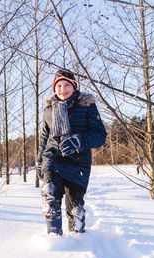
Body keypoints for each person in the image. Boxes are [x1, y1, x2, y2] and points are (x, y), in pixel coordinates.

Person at [37, 69, 106, 235]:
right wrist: (40, 162)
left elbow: (100, 135)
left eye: (67, 85)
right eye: (59, 85)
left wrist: (79, 141)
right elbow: (44, 139)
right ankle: (54, 238)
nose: (62, 89)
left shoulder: (87, 106)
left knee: (75, 207)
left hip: (78, 163)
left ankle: (79, 240)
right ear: (55, 88)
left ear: (74, 86)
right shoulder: (49, 110)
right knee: (50, 195)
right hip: (52, 159)